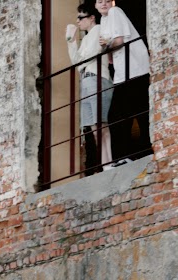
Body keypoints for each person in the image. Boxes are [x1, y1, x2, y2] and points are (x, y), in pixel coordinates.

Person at [96, 0, 151, 164]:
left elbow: (118, 42)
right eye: (100, 1)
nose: (104, 4)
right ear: (95, 5)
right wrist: (108, 47)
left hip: (134, 69)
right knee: (130, 113)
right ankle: (135, 153)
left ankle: (132, 154)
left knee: (125, 114)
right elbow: (110, 56)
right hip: (123, 73)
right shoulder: (103, 20)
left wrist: (108, 45)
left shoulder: (115, 12)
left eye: (107, 1)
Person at [66, 3, 113, 172]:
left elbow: (89, 56)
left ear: (92, 18)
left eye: (81, 17)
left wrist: (81, 60)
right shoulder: (86, 38)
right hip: (86, 80)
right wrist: (71, 41)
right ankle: (105, 163)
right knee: (93, 127)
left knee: (100, 124)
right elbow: (76, 62)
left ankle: (108, 162)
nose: (78, 21)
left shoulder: (99, 30)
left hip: (97, 77)